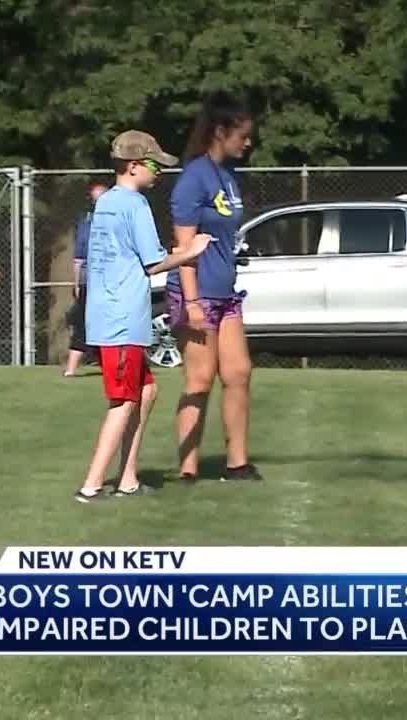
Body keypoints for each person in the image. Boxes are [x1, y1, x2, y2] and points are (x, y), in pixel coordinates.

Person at [75, 130, 212, 503]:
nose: (159, 172)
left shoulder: (106, 202)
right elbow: (154, 263)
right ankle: (91, 486)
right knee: (122, 401)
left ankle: (128, 479)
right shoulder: (134, 206)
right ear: (133, 166)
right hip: (121, 319)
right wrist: (191, 250)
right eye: (154, 165)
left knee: (147, 390)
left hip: (108, 314)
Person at [168, 92, 261, 483]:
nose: (248, 142)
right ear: (220, 132)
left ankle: (237, 464)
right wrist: (191, 303)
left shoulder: (228, 176)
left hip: (226, 294)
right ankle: (188, 469)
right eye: (242, 135)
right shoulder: (193, 178)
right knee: (200, 379)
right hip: (196, 292)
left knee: (239, 372)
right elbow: (184, 248)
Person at [64, 182, 108, 377]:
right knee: (83, 321)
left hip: (113, 280)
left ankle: (110, 366)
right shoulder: (87, 223)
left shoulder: (118, 221)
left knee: (108, 323)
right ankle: (71, 369)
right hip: (92, 279)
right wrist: (77, 283)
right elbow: (79, 257)